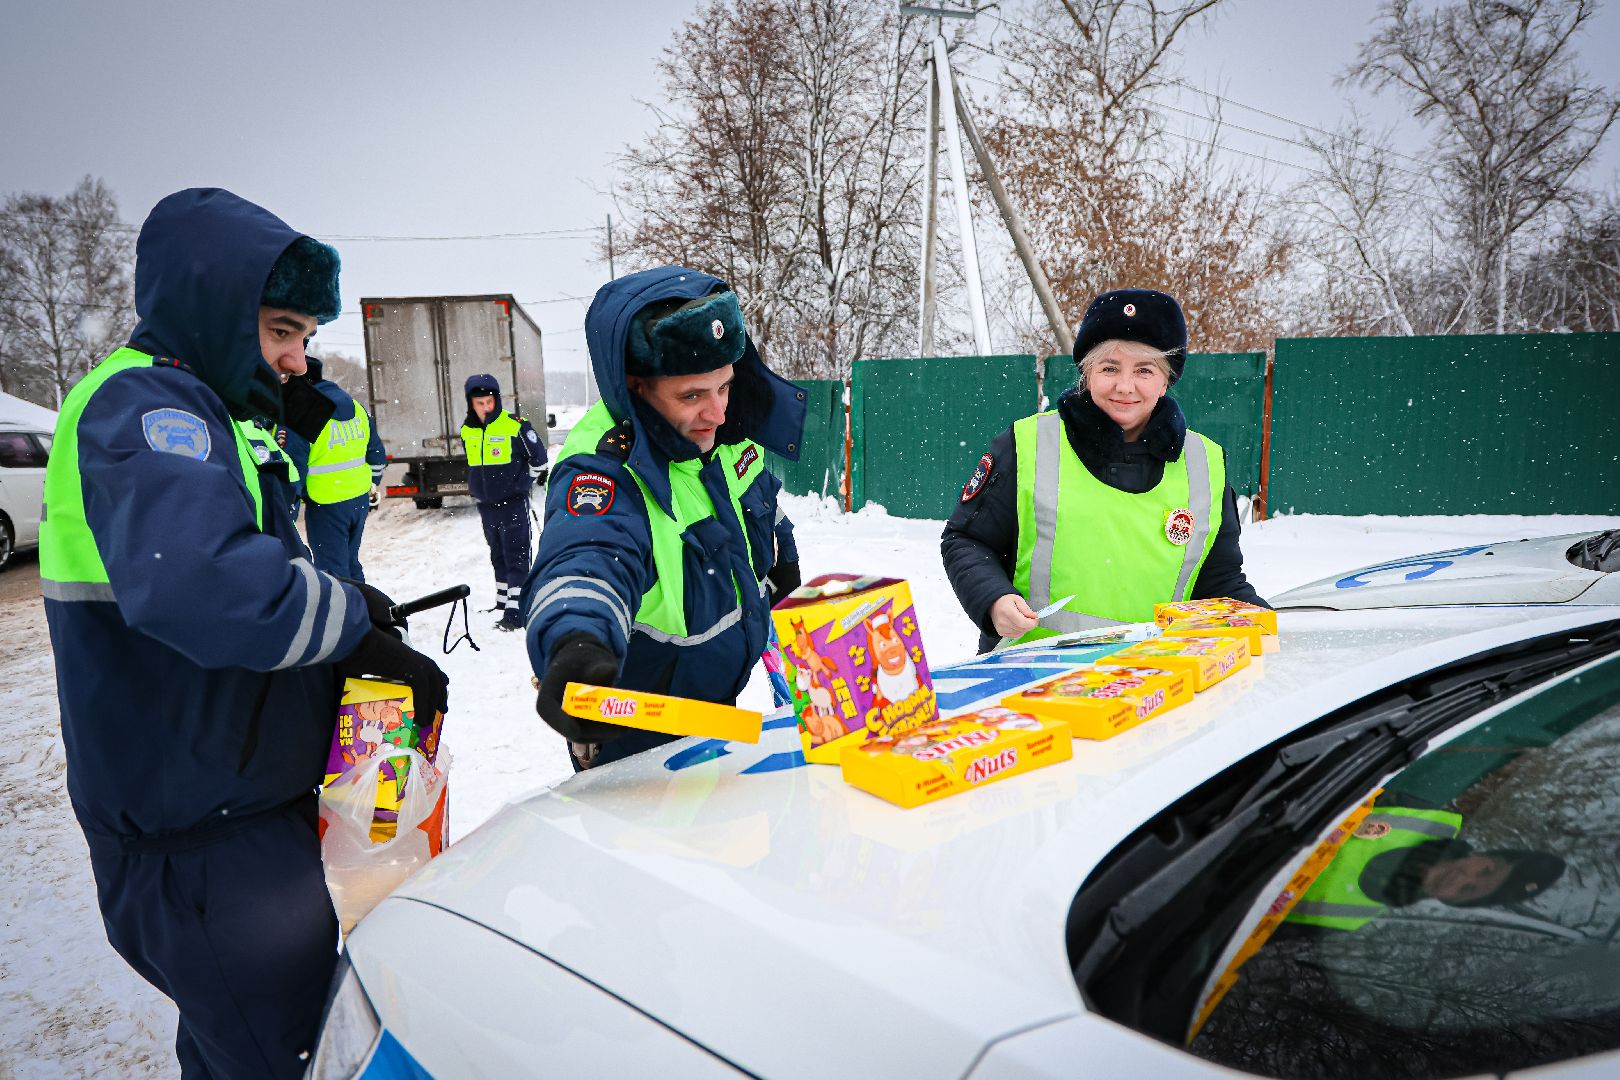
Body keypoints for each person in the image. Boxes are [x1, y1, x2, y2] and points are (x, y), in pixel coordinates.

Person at [39, 188, 448, 1079]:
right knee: (291, 1056)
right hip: (199, 833)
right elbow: (207, 583)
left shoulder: (208, 412)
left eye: (303, 338)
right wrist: (352, 629)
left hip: (231, 810)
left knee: (243, 1046)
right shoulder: (147, 408)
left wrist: (352, 642)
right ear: (212, 310)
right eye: (281, 333)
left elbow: (260, 558)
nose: (298, 361)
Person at [524, 266, 805, 769]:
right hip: (634, 735)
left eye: (724, 387)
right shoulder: (607, 468)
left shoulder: (726, 430)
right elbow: (586, 556)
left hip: (714, 714)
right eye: (692, 395)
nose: (717, 412)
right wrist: (577, 640)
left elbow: (759, 503)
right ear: (636, 388)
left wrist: (780, 558)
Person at [942, 288, 1268, 653]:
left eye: (1144, 370)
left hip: (1150, 683)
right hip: (1029, 677)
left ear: (1166, 380)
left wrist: (1268, 629)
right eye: (1109, 367)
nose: (1124, 386)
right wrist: (994, 599)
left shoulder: (1204, 462)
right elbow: (967, 541)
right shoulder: (1027, 444)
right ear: (1087, 373)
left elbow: (1217, 580)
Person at [1286, 806, 1566, 931]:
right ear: (1485, 853)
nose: (1463, 877)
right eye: (1485, 870)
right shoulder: (1431, 816)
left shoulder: (1349, 919)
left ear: (1454, 902)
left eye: (1468, 889)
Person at [286, 356, 386, 580]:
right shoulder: (355, 407)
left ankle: (348, 614)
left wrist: (289, 505)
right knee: (350, 563)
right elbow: (377, 452)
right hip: (358, 499)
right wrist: (373, 483)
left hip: (326, 503)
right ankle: (364, 610)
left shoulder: (305, 412)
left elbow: (294, 466)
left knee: (332, 571)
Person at [460, 373, 546, 630]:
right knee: (497, 554)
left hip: (512, 504)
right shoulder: (467, 430)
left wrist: (521, 485)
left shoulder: (515, 426)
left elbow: (539, 461)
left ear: (496, 400)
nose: (486, 407)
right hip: (486, 505)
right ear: (470, 404)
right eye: (480, 403)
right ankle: (502, 601)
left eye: (489, 401)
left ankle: (517, 612)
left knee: (516, 555)